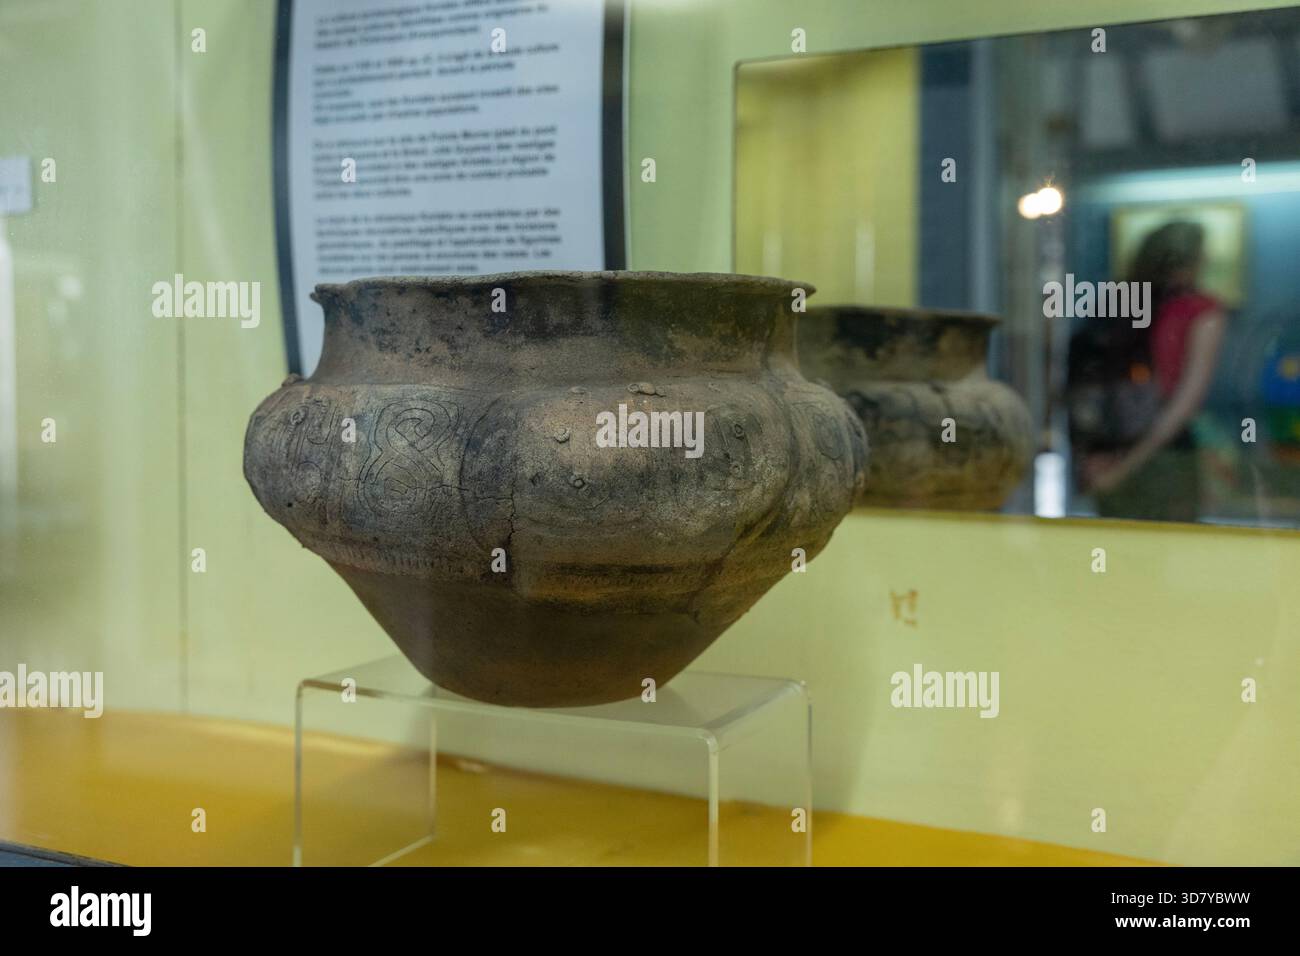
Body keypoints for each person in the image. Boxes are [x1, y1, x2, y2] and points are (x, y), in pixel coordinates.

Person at [1081, 221, 1228, 521]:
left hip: (1118, 453)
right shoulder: (1201, 312)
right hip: (1159, 458)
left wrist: (1110, 464)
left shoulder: (1121, 302)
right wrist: (1120, 466)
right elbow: (1183, 405)